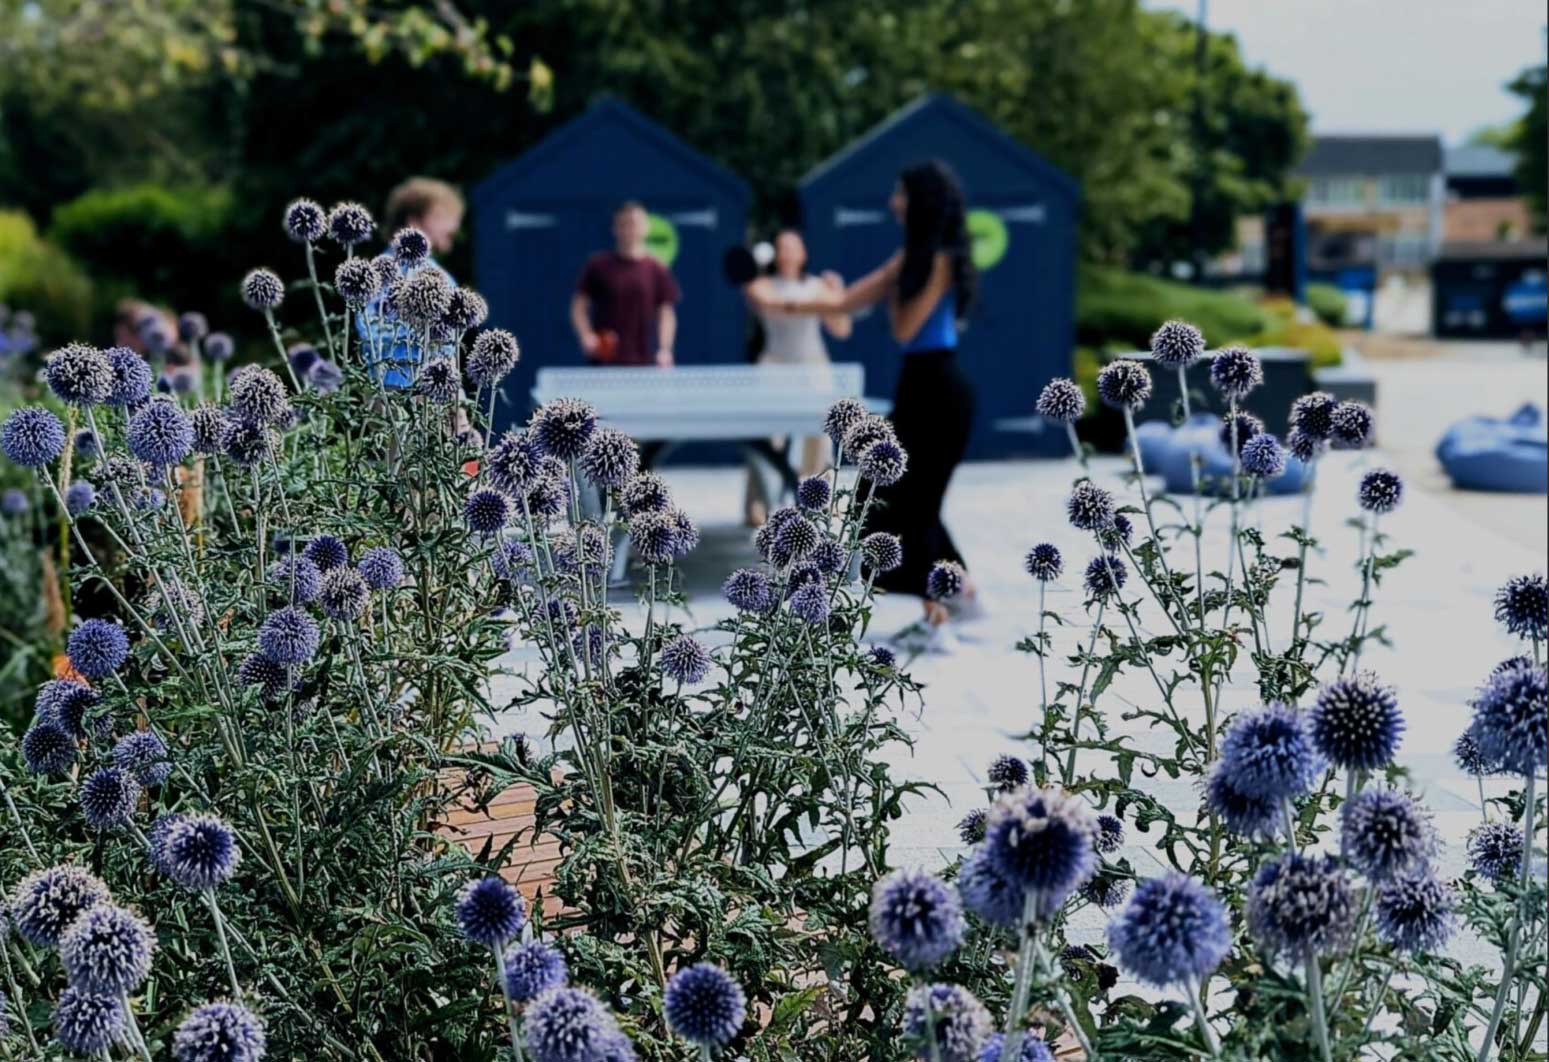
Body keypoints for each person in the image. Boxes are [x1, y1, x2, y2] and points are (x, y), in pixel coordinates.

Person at [785, 161, 980, 627]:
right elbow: (841, 303)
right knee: (886, 500)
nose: (893, 202)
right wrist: (779, 301)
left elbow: (905, 328)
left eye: (900, 194)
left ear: (920, 202)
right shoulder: (908, 258)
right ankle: (962, 595)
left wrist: (894, 287)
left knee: (915, 504)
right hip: (917, 388)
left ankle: (942, 611)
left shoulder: (935, 259)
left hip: (941, 391)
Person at [740, 229, 851, 524]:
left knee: (821, 435)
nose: (788, 252)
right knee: (765, 436)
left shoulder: (819, 286)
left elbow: (841, 328)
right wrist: (828, 301)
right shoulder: (760, 285)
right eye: (782, 247)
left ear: (803, 253)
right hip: (774, 366)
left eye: (793, 247)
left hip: (814, 367)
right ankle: (758, 503)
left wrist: (838, 296)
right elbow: (769, 304)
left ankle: (817, 497)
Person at [361, 177, 466, 388]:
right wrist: (424, 326)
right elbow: (370, 329)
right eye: (442, 216)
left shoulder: (439, 275)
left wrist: (457, 401)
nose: (453, 225)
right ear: (414, 222)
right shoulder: (382, 272)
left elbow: (448, 349)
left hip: (436, 391)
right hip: (391, 392)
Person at [571, 202, 680, 367]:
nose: (629, 230)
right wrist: (587, 336)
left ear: (645, 228)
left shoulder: (656, 269)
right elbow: (578, 307)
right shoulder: (598, 265)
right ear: (615, 228)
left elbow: (666, 313)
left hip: (644, 362)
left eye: (634, 224)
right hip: (603, 362)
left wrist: (665, 349)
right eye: (623, 224)